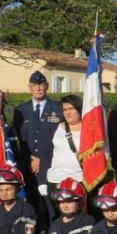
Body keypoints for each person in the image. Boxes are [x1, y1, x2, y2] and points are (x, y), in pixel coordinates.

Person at [12, 71, 63, 229]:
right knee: (31, 206)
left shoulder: (58, 108)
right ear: (29, 87)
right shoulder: (20, 110)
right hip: (27, 166)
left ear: (47, 86)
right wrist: (31, 160)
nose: (38, 88)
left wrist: (42, 160)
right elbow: (18, 139)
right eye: (34, 85)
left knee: (51, 205)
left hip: (51, 165)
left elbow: (60, 137)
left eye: (41, 85)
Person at [38, 94, 83, 222]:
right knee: (56, 220)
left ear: (79, 109)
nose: (68, 113)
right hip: (55, 181)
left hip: (79, 182)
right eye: (65, 109)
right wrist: (42, 181)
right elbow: (45, 155)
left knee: (77, 220)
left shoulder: (89, 130)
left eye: (71, 109)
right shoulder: (54, 128)